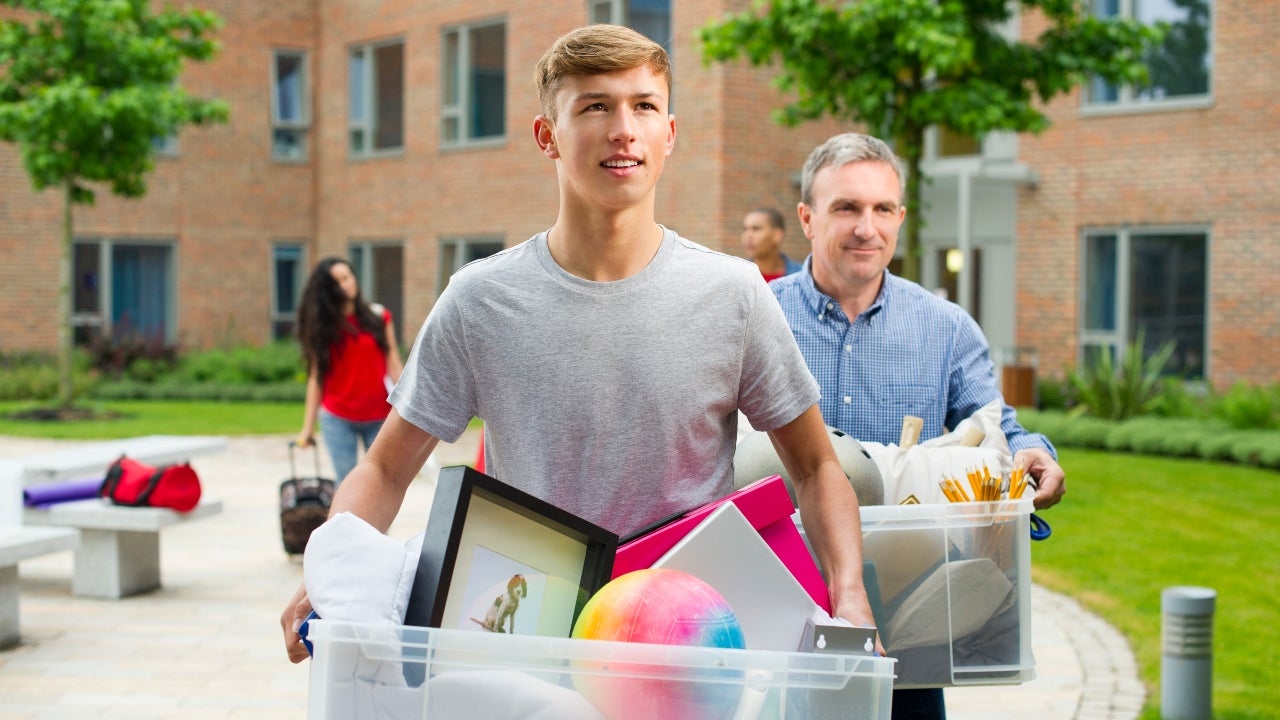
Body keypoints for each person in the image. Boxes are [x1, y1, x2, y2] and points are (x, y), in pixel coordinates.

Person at [281, 25, 877, 662]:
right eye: (595, 106)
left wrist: (849, 593)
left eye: (644, 106)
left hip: (690, 641)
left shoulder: (733, 292)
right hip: (530, 637)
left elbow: (816, 467)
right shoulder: (480, 299)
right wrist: (329, 570)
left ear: (669, 134)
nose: (624, 129)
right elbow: (384, 466)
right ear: (548, 136)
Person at [770, 132, 1066, 720]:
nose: (866, 227)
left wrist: (1033, 452)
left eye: (882, 209)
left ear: (901, 218)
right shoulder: (761, 317)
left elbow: (995, 424)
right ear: (807, 217)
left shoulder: (947, 327)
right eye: (846, 208)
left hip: (908, 620)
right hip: (781, 597)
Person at [295, 257, 403, 485]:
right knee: (347, 483)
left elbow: (393, 362)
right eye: (338, 282)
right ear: (328, 290)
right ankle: (348, 522)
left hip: (379, 415)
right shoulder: (323, 327)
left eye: (348, 277)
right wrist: (307, 429)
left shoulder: (379, 317)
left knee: (382, 483)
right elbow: (316, 378)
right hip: (338, 417)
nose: (346, 284)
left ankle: (376, 524)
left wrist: (409, 406)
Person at [741, 207, 803, 282]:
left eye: (756, 229)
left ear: (777, 235)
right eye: (745, 229)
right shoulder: (737, 276)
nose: (748, 236)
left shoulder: (802, 275)